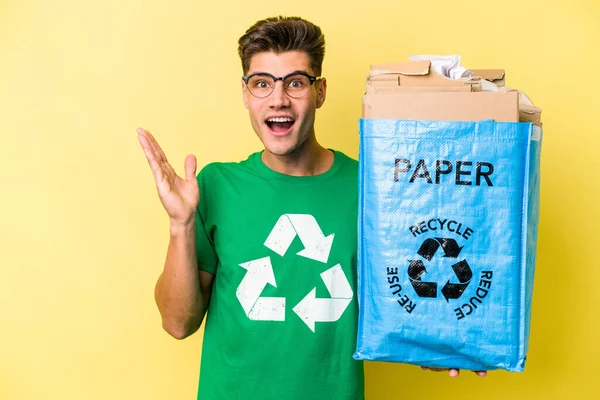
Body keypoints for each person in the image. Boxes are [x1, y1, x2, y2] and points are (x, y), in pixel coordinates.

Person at [137, 15, 485, 400]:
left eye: (296, 83)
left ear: (320, 92)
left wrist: (442, 341)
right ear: (245, 93)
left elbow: (408, 295)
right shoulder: (215, 186)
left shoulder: (375, 190)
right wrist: (180, 224)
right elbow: (177, 323)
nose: (278, 99)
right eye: (262, 84)